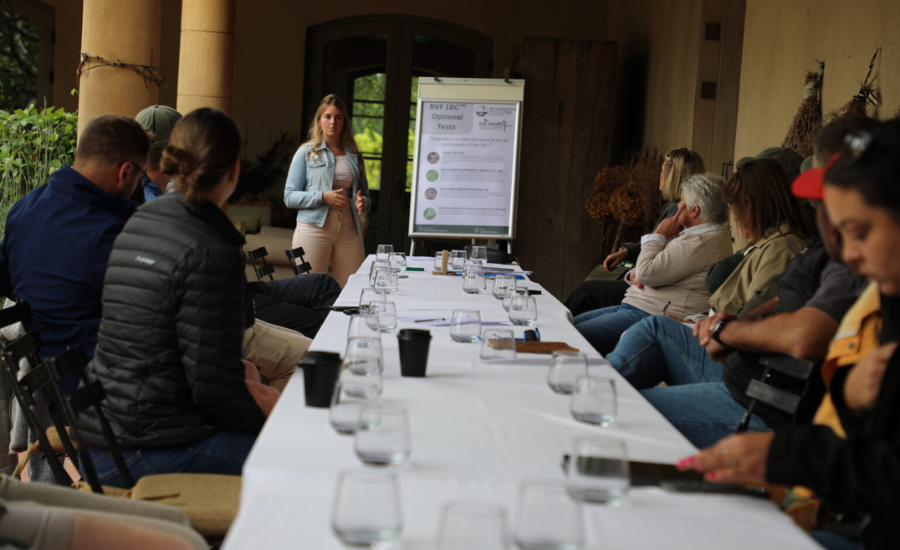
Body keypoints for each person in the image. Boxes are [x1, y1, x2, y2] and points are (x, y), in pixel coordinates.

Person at [683, 118, 900, 550]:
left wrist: (783, 457)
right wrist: (849, 397)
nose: (850, 253)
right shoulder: (884, 295)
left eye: (860, 232)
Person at [78, 108, 275, 487]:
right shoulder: (210, 248)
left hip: (104, 432)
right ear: (233, 171)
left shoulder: (142, 219)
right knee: (301, 458)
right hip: (143, 450)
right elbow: (214, 392)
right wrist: (269, 421)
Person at [604, 157, 825, 447]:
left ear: (757, 205)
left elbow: (754, 320)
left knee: (633, 399)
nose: (734, 217)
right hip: (725, 349)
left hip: (743, 372)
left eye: (737, 208)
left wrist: (710, 327)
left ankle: (597, 396)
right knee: (653, 328)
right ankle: (598, 389)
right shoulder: (768, 243)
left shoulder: (782, 249)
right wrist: (697, 322)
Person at [134, 105, 340, 339]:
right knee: (318, 322)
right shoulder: (159, 202)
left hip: (239, 290)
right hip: (221, 303)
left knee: (322, 284)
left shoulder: (169, 193)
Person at [0, 115, 148, 363]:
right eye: (141, 178)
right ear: (126, 171)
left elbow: (7, 279)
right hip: (91, 384)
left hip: (43, 372)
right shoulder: (107, 234)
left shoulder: (25, 207)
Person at [574, 173, 732, 354]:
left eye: (681, 201)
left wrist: (658, 235)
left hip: (648, 314)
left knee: (571, 335)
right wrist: (636, 273)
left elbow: (646, 272)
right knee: (568, 323)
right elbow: (647, 271)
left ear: (694, 210)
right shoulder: (700, 236)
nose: (677, 206)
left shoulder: (701, 242)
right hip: (637, 306)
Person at [565, 148, 705, 317]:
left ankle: (553, 332)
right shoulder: (673, 208)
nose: (659, 177)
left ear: (671, 177)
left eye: (662, 172)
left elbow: (665, 254)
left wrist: (635, 272)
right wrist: (628, 251)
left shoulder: (680, 214)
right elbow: (655, 243)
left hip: (646, 288)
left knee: (587, 292)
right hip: (642, 278)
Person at [285, 94, 371, 287]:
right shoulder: (306, 152)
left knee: (353, 291)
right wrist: (323, 196)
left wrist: (363, 201)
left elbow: (365, 193)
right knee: (308, 290)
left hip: (349, 231)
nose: (333, 122)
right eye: (328, 116)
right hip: (313, 229)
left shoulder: (355, 156)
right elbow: (289, 196)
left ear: (344, 122)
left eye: (338, 117)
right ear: (319, 120)